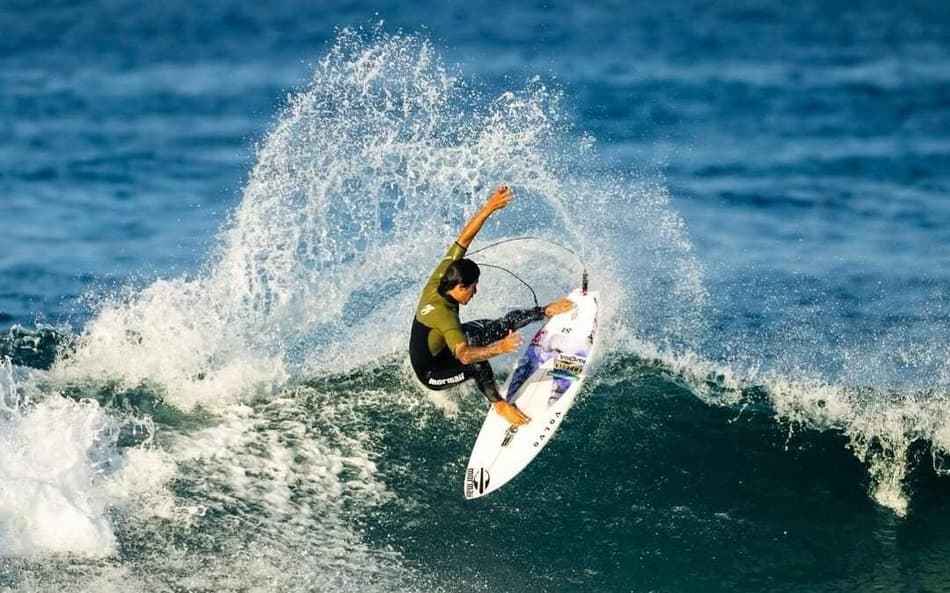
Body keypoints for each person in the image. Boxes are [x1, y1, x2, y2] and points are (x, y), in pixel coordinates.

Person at [408, 185, 574, 426]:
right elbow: (464, 355)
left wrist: (489, 208)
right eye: (474, 287)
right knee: (476, 362)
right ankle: (500, 405)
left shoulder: (443, 275)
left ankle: (545, 310)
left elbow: (464, 238)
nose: (476, 292)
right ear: (461, 286)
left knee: (498, 325)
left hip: (444, 344)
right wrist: (500, 348)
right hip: (432, 372)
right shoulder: (444, 315)